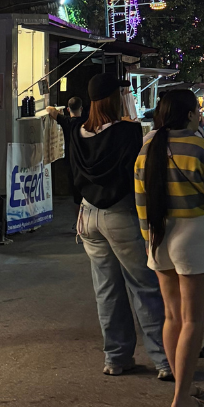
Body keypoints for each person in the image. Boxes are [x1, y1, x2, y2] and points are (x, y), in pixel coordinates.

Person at [135, 89, 204, 407]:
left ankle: (184, 386)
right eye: (196, 110)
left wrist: (148, 239)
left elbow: (140, 199)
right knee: (193, 319)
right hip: (194, 234)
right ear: (190, 114)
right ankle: (181, 398)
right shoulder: (197, 145)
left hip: (158, 234)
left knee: (172, 316)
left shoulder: (147, 146)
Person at [67, 72, 172, 380]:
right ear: (114, 99)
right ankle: (164, 360)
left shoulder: (76, 131)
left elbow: (74, 176)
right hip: (121, 214)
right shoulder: (128, 131)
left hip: (88, 216)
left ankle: (115, 357)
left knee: (107, 288)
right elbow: (134, 175)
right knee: (144, 287)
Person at [47, 95, 85, 209]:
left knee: (76, 197)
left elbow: (49, 109)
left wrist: (58, 111)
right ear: (81, 108)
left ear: (68, 109)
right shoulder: (87, 121)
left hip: (71, 160)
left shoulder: (66, 121)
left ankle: (78, 218)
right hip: (85, 160)